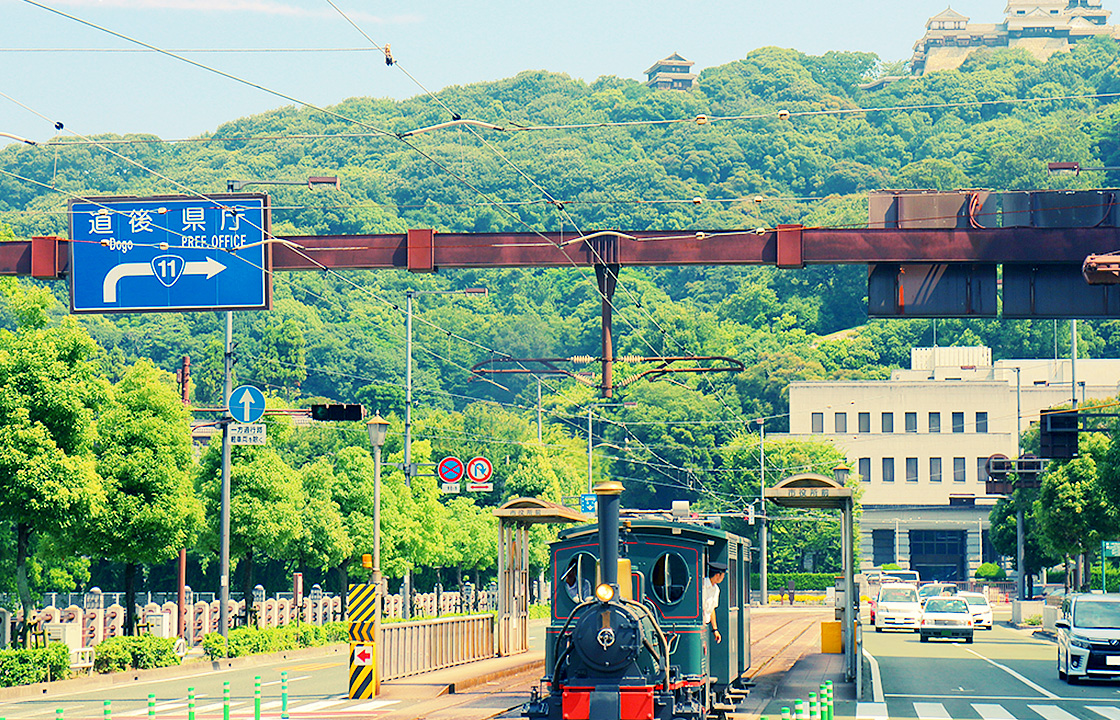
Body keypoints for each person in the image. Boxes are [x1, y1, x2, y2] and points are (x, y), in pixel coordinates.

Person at [703, 561, 727, 644]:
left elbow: (712, 609)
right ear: (717, 575)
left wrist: (715, 629)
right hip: (700, 624)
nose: (723, 578)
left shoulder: (716, 589)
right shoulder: (702, 586)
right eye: (723, 575)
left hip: (705, 625)